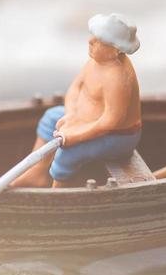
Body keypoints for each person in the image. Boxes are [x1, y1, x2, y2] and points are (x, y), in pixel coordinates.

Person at [12, 13, 143, 189]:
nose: (90, 41)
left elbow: (112, 121)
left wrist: (76, 134)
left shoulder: (116, 77)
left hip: (116, 137)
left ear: (116, 50)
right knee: (51, 117)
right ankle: (37, 172)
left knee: (68, 150)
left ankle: (57, 193)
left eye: (100, 41)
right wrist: (72, 115)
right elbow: (75, 88)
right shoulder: (95, 61)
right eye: (93, 37)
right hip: (85, 119)